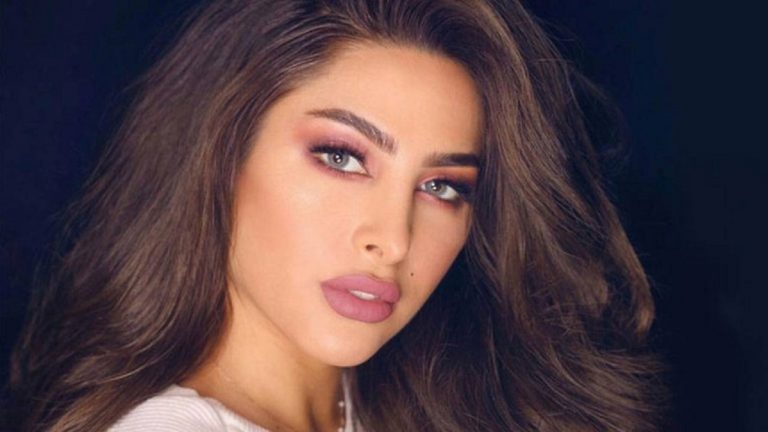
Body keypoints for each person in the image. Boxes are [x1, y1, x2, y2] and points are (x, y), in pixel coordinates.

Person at [8, 0, 664, 430]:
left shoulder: (406, 399)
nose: (393, 240)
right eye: (342, 158)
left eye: (442, 186)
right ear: (219, 154)